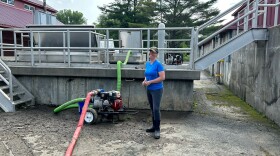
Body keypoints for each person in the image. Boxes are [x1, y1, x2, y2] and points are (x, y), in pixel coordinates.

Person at [142, 47, 165, 139]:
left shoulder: (158, 64)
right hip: (149, 89)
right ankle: (153, 127)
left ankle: (157, 129)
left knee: (156, 109)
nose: (151, 54)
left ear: (156, 54)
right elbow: (147, 75)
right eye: (150, 52)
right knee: (152, 108)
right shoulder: (147, 64)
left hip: (157, 89)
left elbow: (162, 77)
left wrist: (150, 82)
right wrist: (144, 81)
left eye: (153, 53)